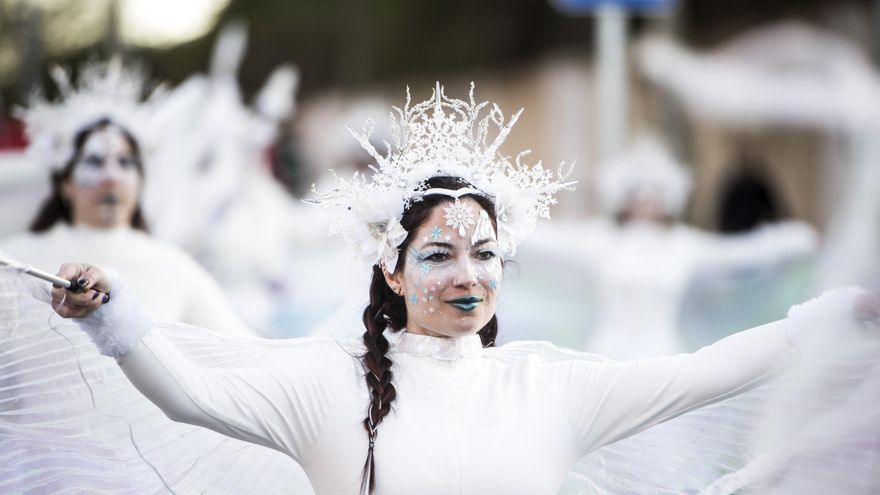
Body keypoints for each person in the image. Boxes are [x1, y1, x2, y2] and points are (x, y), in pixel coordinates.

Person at [43, 84, 879, 495]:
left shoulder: (551, 386)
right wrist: (110, 309)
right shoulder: (325, 384)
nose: (468, 275)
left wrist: (842, 313)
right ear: (392, 269)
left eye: (484, 252)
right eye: (439, 255)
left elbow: (708, 371)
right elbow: (191, 395)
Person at [0, 60, 311, 494]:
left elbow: (247, 359)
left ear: (142, 179)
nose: (111, 175)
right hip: (37, 473)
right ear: (64, 181)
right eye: (94, 161)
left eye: (125, 162)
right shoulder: (16, 259)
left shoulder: (175, 267)